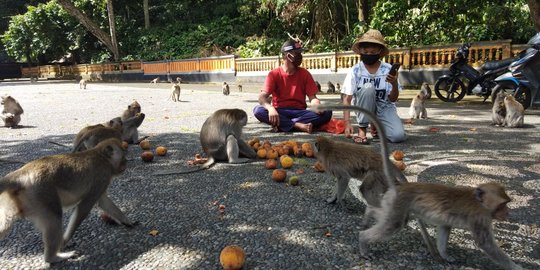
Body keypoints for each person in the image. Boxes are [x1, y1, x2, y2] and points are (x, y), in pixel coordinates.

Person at [341, 29, 406, 144]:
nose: (368, 55)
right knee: (368, 87)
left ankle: (377, 124)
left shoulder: (387, 69)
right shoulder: (356, 70)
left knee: (398, 136)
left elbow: (393, 99)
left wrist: (394, 83)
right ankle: (362, 129)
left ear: (379, 52)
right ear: (360, 51)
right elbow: (347, 99)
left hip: (384, 107)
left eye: (372, 53)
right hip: (363, 106)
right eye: (365, 52)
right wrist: (347, 123)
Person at [253, 39, 332, 133]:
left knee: (327, 112)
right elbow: (262, 97)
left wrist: (317, 105)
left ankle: (284, 125)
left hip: (300, 112)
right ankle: (297, 125)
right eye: (298, 54)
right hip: (280, 111)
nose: (300, 56)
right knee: (258, 110)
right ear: (289, 56)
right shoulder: (274, 74)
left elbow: (312, 98)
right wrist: (270, 108)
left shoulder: (305, 74)